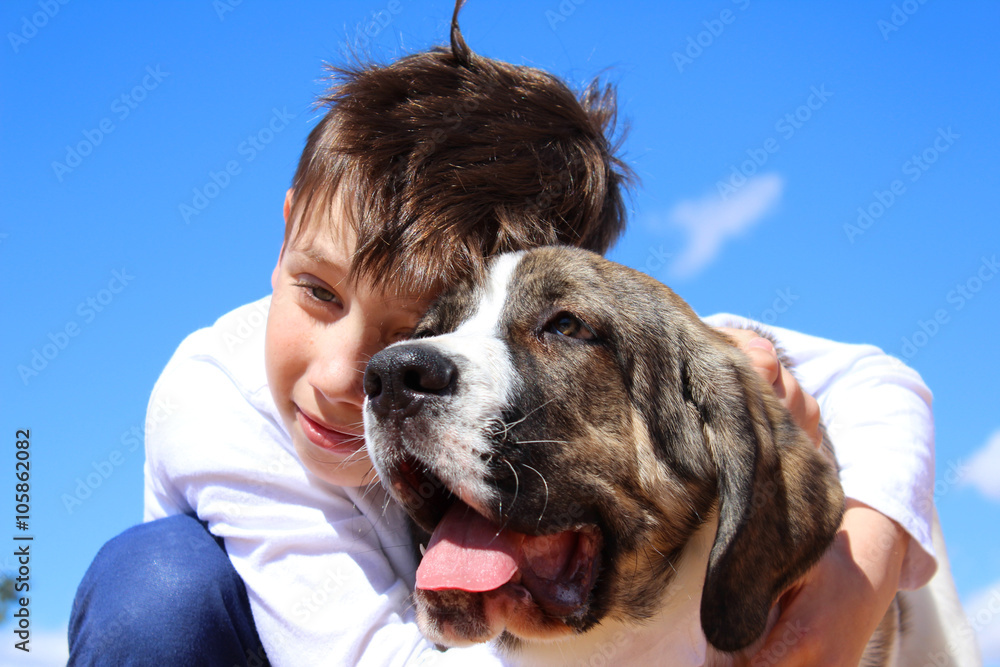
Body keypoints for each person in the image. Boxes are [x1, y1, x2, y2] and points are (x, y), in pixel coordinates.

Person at [69, 6, 937, 666]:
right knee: (160, 589)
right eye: (319, 292)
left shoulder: (628, 355)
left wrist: (858, 571)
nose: (353, 374)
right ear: (288, 224)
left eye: (422, 330)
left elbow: (876, 381)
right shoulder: (216, 396)